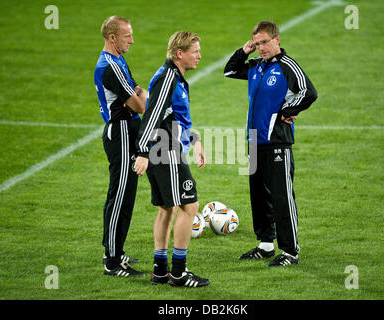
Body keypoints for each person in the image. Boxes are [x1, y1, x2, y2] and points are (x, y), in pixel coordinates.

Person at [224, 21, 317, 267]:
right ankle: (265, 245)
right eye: (257, 43)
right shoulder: (255, 66)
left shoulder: (288, 66)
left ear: (277, 40)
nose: (261, 48)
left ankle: (290, 252)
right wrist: (244, 52)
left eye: (265, 42)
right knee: (258, 195)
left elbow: (309, 92)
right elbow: (230, 71)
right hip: (254, 141)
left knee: (282, 197)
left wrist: (289, 109)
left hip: (277, 142)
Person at [133, 31, 210, 287]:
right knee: (190, 207)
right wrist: (143, 152)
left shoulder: (173, 76)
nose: (199, 56)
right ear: (180, 54)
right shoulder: (168, 77)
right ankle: (179, 273)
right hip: (165, 151)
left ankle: (160, 270)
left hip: (164, 149)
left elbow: (173, 116)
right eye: (195, 51)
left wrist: (195, 140)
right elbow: (152, 115)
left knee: (167, 208)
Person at [94, 16, 147, 277]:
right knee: (119, 197)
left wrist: (137, 96)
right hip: (121, 132)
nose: (132, 40)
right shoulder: (110, 66)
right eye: (128, 36)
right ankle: (112, 260)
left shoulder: (118, 61)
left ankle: (117, 250)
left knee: (126, 195)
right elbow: (139, 103)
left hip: (128, 129)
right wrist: (140, 97)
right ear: (112, 37)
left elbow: (135, 91)